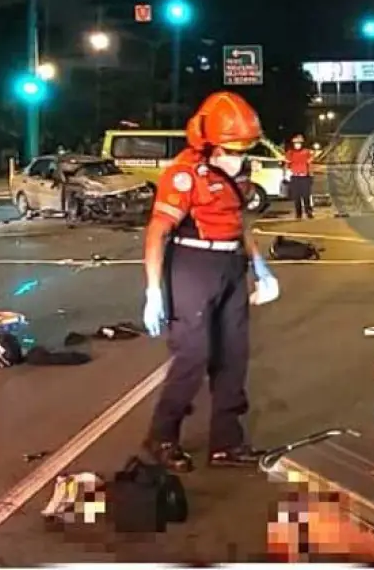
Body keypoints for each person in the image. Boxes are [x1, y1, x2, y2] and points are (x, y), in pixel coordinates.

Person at [141, 90, 281, 472]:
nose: (241, 157)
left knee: (233, 356)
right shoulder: (184, 176)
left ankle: (226, 442)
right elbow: (157, 232)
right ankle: (162, 436)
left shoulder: (235, 174)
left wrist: (260, 267)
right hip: (192, 264)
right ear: (210, 145)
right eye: (233, 149)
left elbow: (238, 224)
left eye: (243, 149)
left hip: (230, 264)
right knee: (193, 354)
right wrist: (154, 291)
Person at [284, 134, 315, 220]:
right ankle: (298, 214)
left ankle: (308, 212)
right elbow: (287, 165)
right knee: (296, 197)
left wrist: (311, 175)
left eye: (299, 143)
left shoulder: (307, 152)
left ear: (302, 144)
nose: (297, 145)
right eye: (295, 143)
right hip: (295, 177)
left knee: (306, 196)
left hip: (304, 177)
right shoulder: (290, 153)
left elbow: (310, 165)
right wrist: (286, 175)